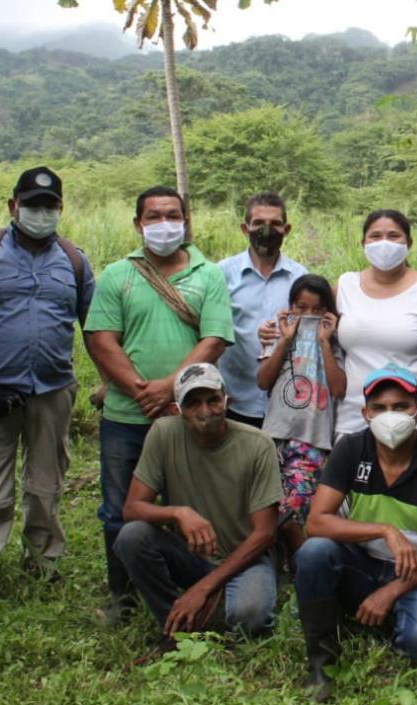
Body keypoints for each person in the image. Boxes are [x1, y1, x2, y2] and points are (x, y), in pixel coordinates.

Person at [0, 166, 95, 598]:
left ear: (60, 209)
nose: (40, 213)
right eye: (32, 205)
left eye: (48, 205)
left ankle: (43, 562)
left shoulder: (75, 260)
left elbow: (95, 327)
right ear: (13, 206)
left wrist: (109, 381)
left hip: (52, 388)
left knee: (47, 483)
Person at [84, 186, 235, 622]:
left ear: (186, 221)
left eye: (172, 215)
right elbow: (100, 339)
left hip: (187, 417)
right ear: (138, 223)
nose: (163, 223)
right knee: (118, 509)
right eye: (153, 216)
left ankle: (186, 591)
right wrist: (139, 390)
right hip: (126, 416)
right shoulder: (118, 274)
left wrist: (171, 388)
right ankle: (122, 596)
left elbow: (214, 339)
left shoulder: (208, 275)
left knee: (184, 505)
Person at [294, 364, 417, 701]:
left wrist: (391, 592)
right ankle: (321, 660)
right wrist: (384, 530)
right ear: (365, 413)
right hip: (363, 561)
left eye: (401, 407)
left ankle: (384, 613)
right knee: (313, 552)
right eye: (380, 408)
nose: (390, 416)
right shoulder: (351, 449)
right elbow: (316, 522)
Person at [114, 363, 281, 650]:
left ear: (226, 402)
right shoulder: (163, 433)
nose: (205, 410)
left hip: (243, 559)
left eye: (213, 400)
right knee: (131, 536)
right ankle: (176, 623)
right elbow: (132, 509)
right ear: (178, 409)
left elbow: (264, 533)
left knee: (250, 617)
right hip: (188, 556)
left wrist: (204, 588)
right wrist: (178, 513)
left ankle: (200, 607)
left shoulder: (258, 445)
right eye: (193, 402)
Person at [335, 210, 417, 443]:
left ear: (409, 242)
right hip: (355, 417)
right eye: (375, 236)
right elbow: (319, 331)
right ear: (363, 243)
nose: (384, 243)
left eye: (393, 236)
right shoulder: (344, 286)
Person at [256, 274, 346, 555]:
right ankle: (284, 563)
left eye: (316, 310)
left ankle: (301, 565)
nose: (308, 315)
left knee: (293, 507)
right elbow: (263, 381)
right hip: (274, 435)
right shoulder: (279, 333)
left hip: (312, 440)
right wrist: (284, 340)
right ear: (290, 306)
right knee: (271, 504)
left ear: (327, 312)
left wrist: (323, 341)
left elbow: (338, 387)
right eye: (301, 307)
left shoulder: (334, 342)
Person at [218, 191, 308, 428]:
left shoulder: (301, 277)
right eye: (258, 223)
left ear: (286, 230)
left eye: (275, 224)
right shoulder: (222, 274)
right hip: (232, 401)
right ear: (244, 228)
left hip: (286, 402)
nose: (266, 230)